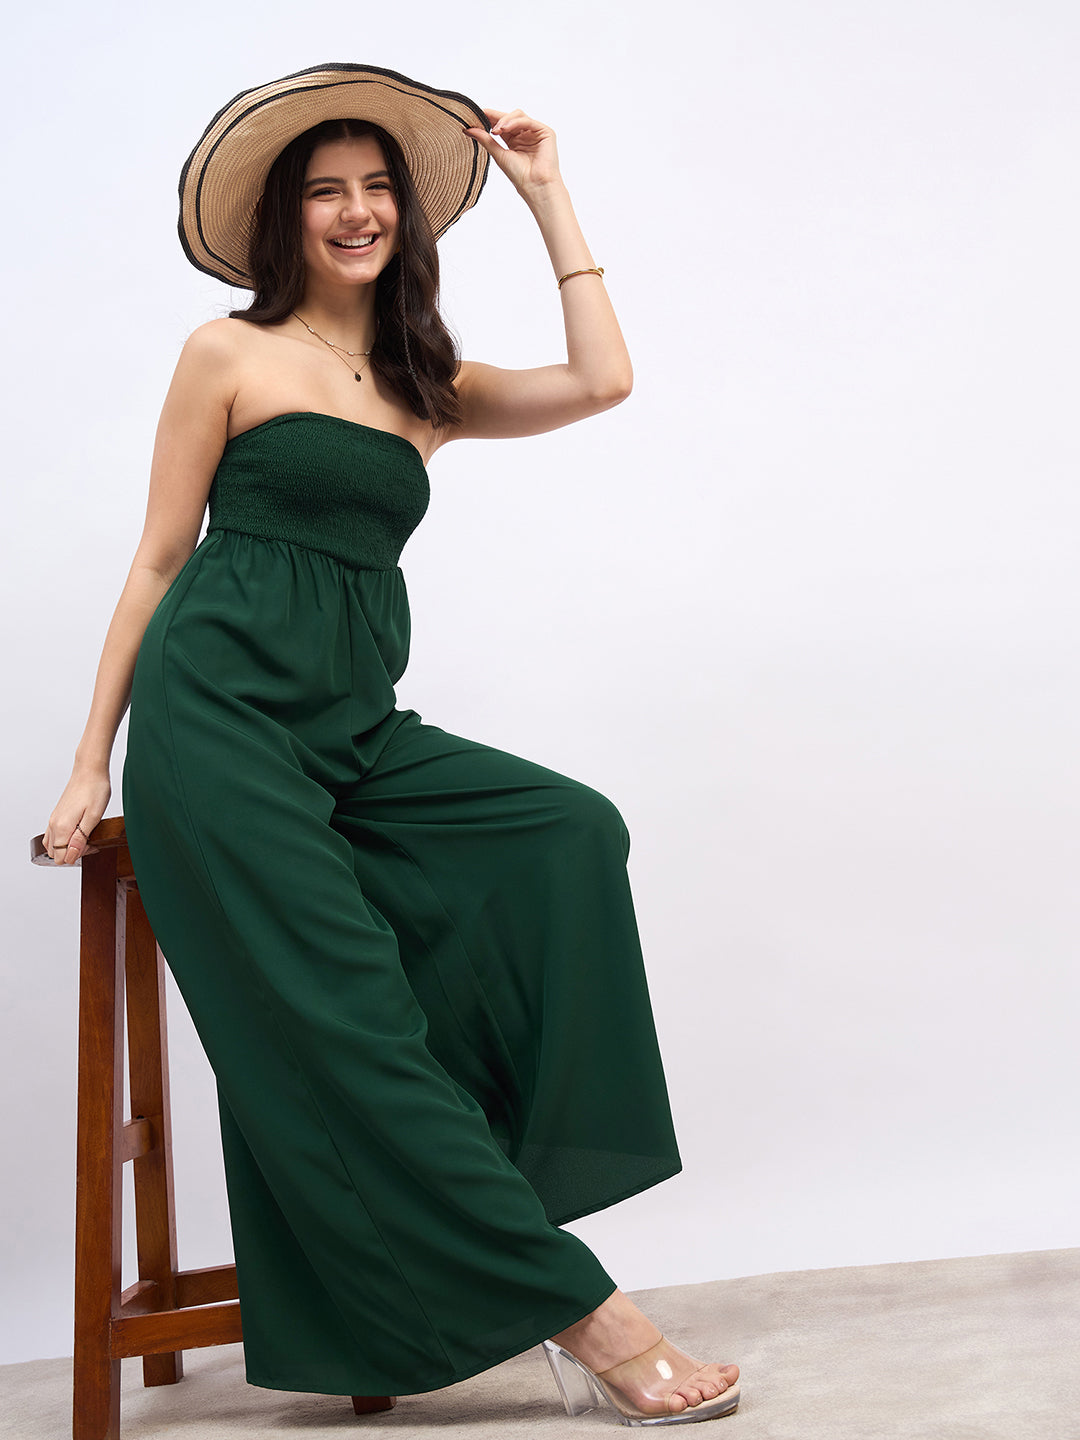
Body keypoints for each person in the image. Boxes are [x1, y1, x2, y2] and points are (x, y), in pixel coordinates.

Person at [42, 64, 741, 1425]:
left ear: (404, 216)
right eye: (326, 192)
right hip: (222, 729)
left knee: (568, 828)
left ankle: (479, 1193)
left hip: (355, 730)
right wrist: (88, 763)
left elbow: (604, 380)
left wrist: (546, 194)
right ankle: (585, 1313)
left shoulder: (430, 383)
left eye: (377, 189)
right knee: (355, 1020)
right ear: (286, 219)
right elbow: (159, 561)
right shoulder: (228, 353)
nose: (356, 210)